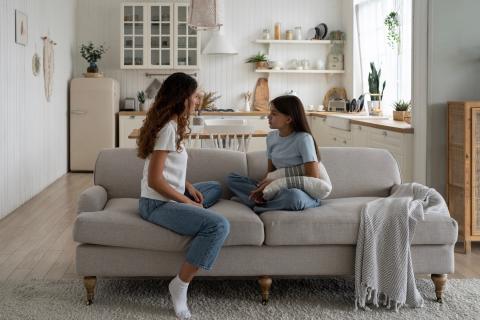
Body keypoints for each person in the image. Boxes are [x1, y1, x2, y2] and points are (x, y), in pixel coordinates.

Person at [137, 72, 230, 320]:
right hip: (156, 204)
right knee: (218, 225)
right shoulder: (168, 128)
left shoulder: (172, 123)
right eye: (195, 96)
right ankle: (180, 285)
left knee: (213, 187)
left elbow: (167, 168)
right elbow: (155, 180)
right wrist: (187, 202)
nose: (198, 100)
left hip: (170, 195)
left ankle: (193, 207)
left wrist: (188, 186)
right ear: (182, 98)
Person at [227, 95, 323, 213]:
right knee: (232, 178)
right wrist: (263, 187)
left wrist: (277, 183)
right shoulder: (271, 138)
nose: (268, 116)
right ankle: (260, 200)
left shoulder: (304, 139)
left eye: (274, 114)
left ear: (288, 119)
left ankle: (256, 205)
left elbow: (313, 178)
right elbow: (270, 173)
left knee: (293, 197)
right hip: (277, 190)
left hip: (300, 192)